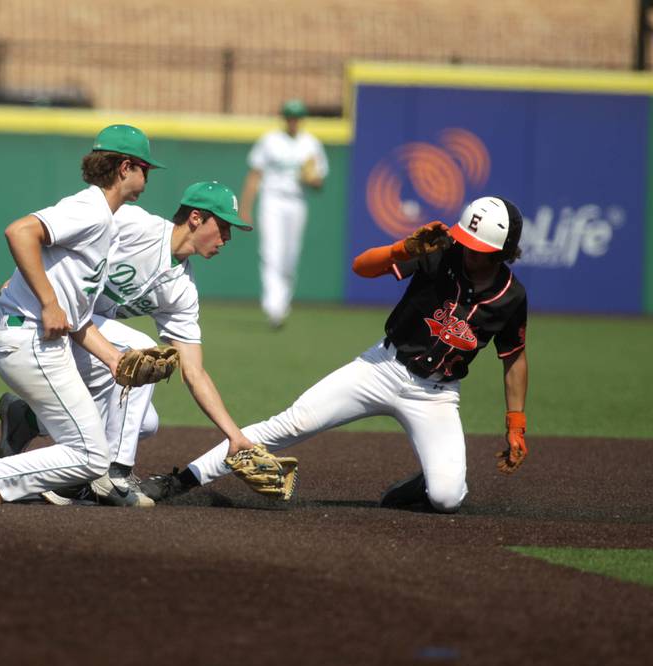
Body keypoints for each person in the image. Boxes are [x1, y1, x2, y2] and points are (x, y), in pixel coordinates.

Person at [140, 196, 529, 513]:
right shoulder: (440, 252)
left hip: (437, 395)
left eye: (480, 249)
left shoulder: (511, 297)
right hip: (382, 367)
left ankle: (424, 483)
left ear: (504, 253)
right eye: (467, 241)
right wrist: (403, 248)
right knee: (290, 424)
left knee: (448, 498)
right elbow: (362, 267)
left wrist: (516, 425)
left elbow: (514, 359)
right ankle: (180, 480)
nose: (469, 251)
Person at [0, 181, 260, 507]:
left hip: (87, 334)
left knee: (145, 423)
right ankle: (114, 473)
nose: (227, 238)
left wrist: (234, 435)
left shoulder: (183, 292)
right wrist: (24, 282)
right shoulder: (135, 226)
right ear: (195, 218)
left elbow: (194, 371)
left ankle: (27, 420)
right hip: (54, 321)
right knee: (140, 350)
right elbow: (60, 235)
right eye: (222, 226)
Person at [0, 124, 163, 504]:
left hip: (37, 342)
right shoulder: (91, 209)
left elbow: (77, 319)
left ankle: (8, 477)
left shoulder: (104, 221)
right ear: (125, 167)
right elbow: (19, 232)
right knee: (92, 456)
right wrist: (47, 301)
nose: (147, 177)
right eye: (145, 168)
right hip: (29, 341)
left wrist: (113, 359)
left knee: (94, 449)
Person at [239, 98, 329, 329]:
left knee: (290, 256)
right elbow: (255, 174)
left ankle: (282, 302)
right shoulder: (270, 141)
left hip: (297, 201)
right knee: (270, 252)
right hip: (272, 200)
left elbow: (319, 182)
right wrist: (245, 207)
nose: (293, 121)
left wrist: (311, 178)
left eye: (297, 116)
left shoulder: (310, 144)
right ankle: (273, 308)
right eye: (290, 116)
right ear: (285, 118)